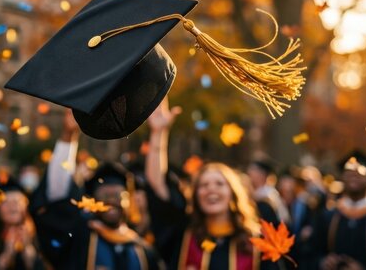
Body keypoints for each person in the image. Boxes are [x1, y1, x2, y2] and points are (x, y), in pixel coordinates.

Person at [145, 99, 278, 269]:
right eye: (204, 185)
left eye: (219, 184)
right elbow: (158, 185)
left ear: (233, 193)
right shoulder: (184, 234)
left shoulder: (255, 242)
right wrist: (158, 133)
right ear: (196, 194)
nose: (211, 189)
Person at [30, 110, 163, 269]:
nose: (112, 200)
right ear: (93, 201)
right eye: (105, 195)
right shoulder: (77, 238)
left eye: (119, 195)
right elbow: (58, 196)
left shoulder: (143, 250)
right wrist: (68, 136)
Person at [0, 177, 44, 270]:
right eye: (5, 202)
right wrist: (7, 255)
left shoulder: (40, 235)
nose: (12, 206)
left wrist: (28, 251)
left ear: (26, 205)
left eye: (17, 201)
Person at [247, 159, 289, 224]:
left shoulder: (270, 194)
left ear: (262, 174)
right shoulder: (254, 193)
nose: (249, 172)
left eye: (253, 170)